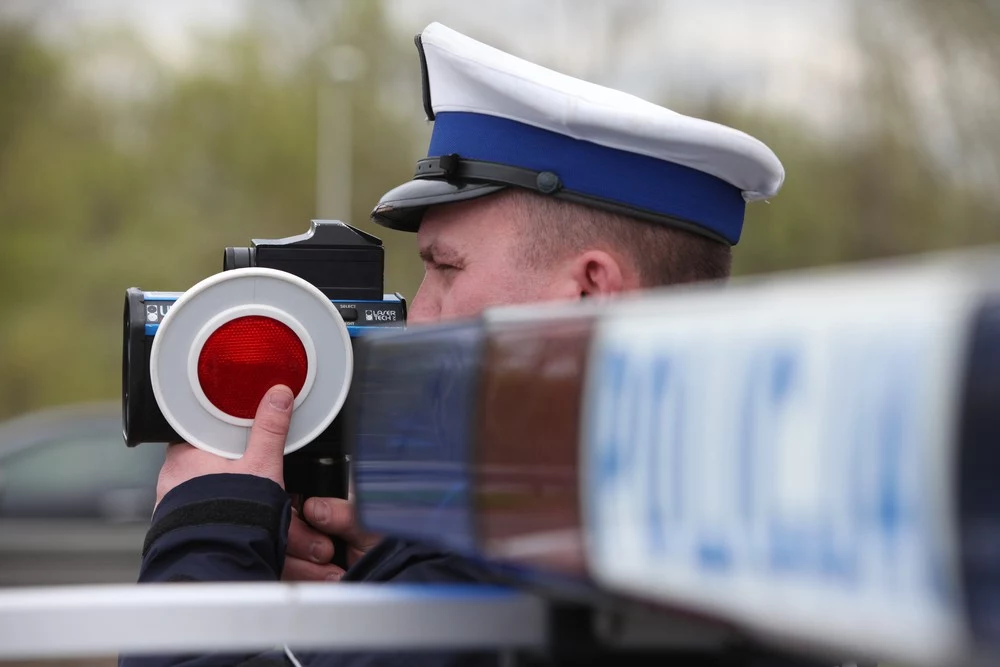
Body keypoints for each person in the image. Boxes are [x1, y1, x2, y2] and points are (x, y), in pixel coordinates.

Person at [122, 21, 793, 667]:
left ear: (590, 293)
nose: (418, 317)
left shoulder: (524, 570)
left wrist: (205, 526)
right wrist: (398, 570)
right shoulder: (760, 529)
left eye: (446, 267)